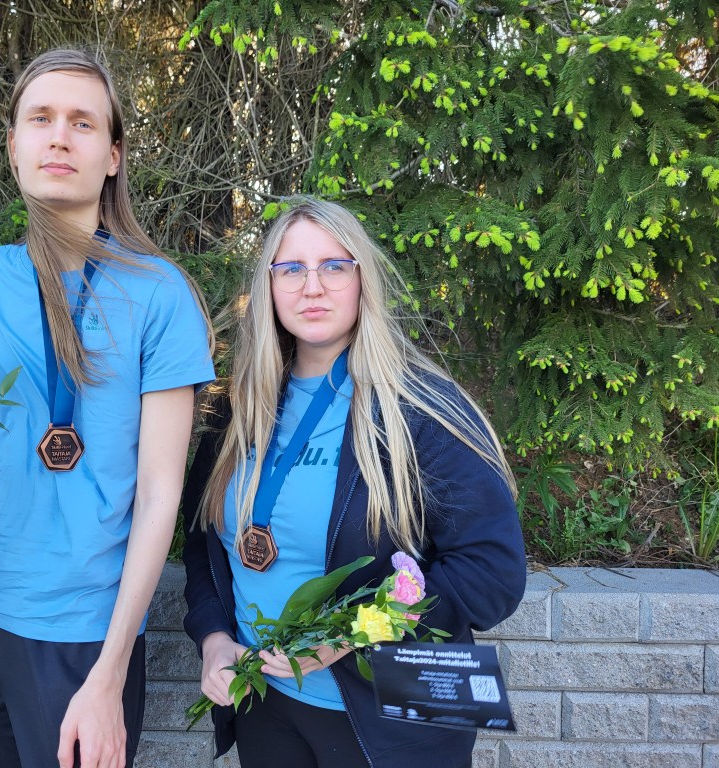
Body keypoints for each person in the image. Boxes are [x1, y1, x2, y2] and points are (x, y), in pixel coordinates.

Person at [0, 48, 215, 768]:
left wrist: (109, 674)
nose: (58, 137)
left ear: (112, 155)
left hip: (80, 629)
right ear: (13, 146)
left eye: (82, 122)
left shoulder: (160, 293)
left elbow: (160, 494)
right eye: (40, 118)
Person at [182, 197, 526, 768]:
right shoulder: (235, 411)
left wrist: (349, 635)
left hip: (391, 720)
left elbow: (492, 574)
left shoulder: (423, 412)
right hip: (266, 702)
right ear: (268, 286)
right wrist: (213, 635)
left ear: (363, 279)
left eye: (334, 266)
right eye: (291, 269)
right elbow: (202, 544)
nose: (312, 287)